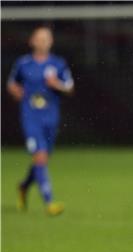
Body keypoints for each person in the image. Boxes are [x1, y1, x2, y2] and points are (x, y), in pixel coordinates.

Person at [6, 26, 74, 216]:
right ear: (32, 41)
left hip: (51, 117)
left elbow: (70, 88)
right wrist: (15, 91)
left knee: (41, 160)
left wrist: (56, 84)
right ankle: (49, 202)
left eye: (47, 38)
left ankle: (24, 186)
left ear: (51, 42)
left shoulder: (58, 64)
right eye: (40, 38)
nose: (43, 41)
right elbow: (12, 83)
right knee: (40, 157)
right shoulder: (23, 63)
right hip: (31, 116)